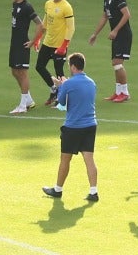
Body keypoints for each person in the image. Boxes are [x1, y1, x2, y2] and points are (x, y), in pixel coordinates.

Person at [43, 53, 101, 201]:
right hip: (90, 125)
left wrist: (61, 86)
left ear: (73, 67)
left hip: (73, 126)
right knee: (89, 159)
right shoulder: (91, 82)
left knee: (65, 159)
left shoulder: (69, 84)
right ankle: (93, 191)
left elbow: (60, 104)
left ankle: (58, 189)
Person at [88, 0, 133, 103]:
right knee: (115, 64)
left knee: (117, 63)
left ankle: (125, 92)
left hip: (123, 35)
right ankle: (118, 92)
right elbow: (104, 17)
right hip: (117, 35)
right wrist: (95, 34)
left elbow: (127, 14)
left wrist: (115, 30)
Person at [31, 0, 75, 107]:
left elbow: (71, 28)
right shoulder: (48, 4)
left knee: (59, 72)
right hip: (48, 42)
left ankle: (63, 99)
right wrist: (39, 38)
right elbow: (45, 22)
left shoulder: (66, 7)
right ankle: (54, 89)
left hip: (59, 45)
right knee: (39, 66)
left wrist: (64, 46)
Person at [8, 0, 38, 114]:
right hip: (14, 43)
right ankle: (29, 100)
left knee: (23, 73)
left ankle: (22, 106)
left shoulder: (27, 7)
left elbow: (40, 24)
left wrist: (33, 41)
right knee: (14, 71)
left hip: (22, 44)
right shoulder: (15, 5)